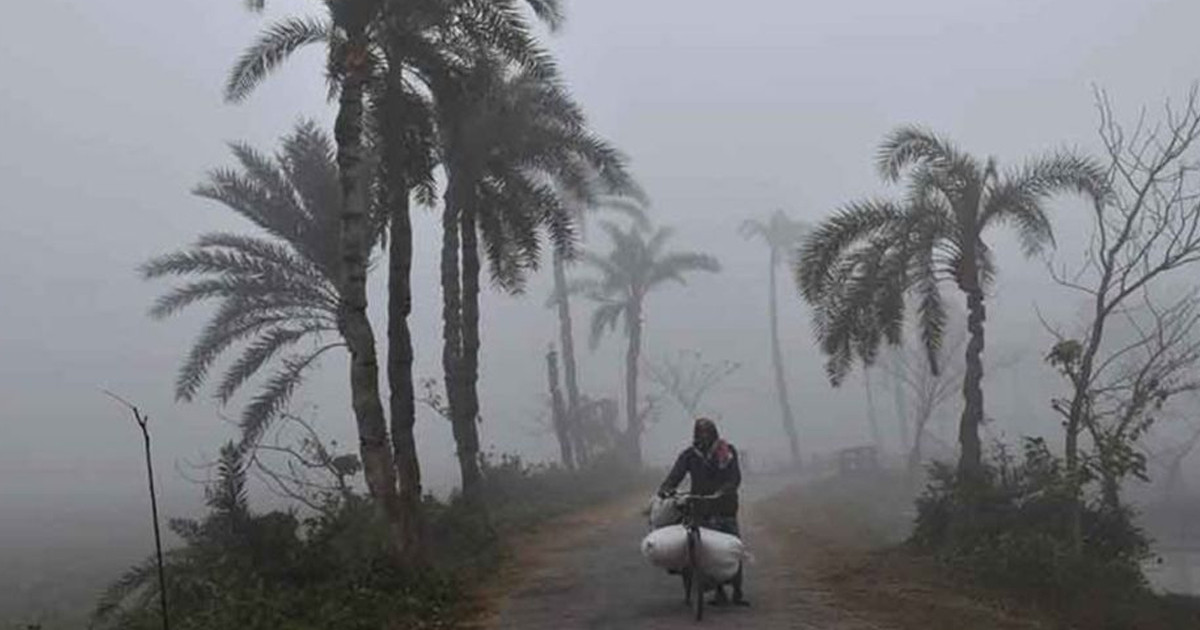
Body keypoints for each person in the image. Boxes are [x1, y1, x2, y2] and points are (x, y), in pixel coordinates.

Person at [657, 417, 748, 606]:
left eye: (708, 432)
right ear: (695, 434)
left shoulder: (727, 451)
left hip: (725, 506)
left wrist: (726, 489)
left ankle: (737, 591)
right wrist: (666, 488)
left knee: (731, 548)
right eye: (700, 432)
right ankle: (719, 591)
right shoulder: (689, 455)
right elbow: (676, 475)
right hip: (700, 506)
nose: (704, 436)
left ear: (714, 432)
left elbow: (735, 476)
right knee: (708, 551)